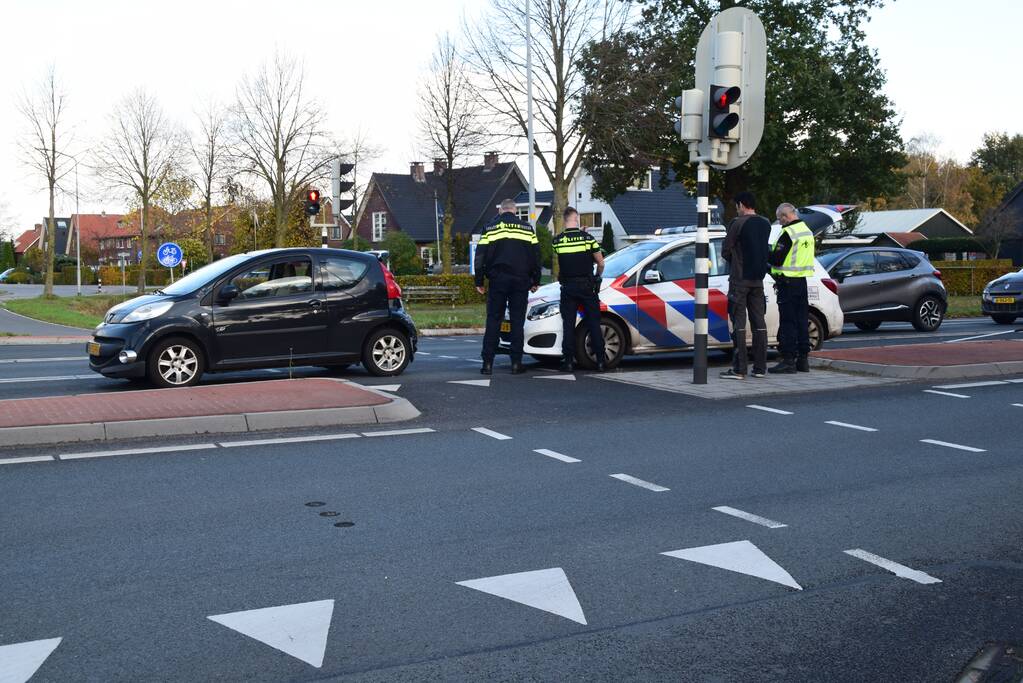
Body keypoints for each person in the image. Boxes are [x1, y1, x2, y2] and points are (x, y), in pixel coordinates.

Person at [474, 198, 541, 375]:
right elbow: (536, 256)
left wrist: (479, 281)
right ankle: (516, 363)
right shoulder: (527, 229)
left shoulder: (489, 228)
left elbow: (480, 257)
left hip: (498, 280)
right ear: (515, 210)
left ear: (501, 211)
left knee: (494, 320)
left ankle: (487, 364)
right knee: (517, 321)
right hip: (520, 281)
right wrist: (536, 280)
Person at [719, 191, 771, 380]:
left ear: (741, 205)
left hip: (739, 280)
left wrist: (735, 262)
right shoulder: (765, 223)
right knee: (759, 323)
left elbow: (726, 250)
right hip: (758, 279)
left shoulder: (737, 223)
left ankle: (739, 369)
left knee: (738, 324)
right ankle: (760, 368)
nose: (736, 209)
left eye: (737, 206)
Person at [553, 207, 606, 372]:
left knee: (568, 325)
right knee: (594, 323)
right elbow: (601, 263)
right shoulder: (588, 239)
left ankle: (568, 361)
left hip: (568, 288)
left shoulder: (557, 241)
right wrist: (597, 277)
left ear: (564, 220)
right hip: (587, 287)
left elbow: (566, 255)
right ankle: (600, 362)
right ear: (576, 219)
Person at [768, 202, 816, 374]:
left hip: (787, 283)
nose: (779, 222)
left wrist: (766, 254)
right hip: (801, 282)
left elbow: (776, 259)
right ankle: (803, 360)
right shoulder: (807, 232)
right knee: (802, 320)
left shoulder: (788, 233)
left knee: (788, 322)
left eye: (779, 219)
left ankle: (788, 361)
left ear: (785, 216)